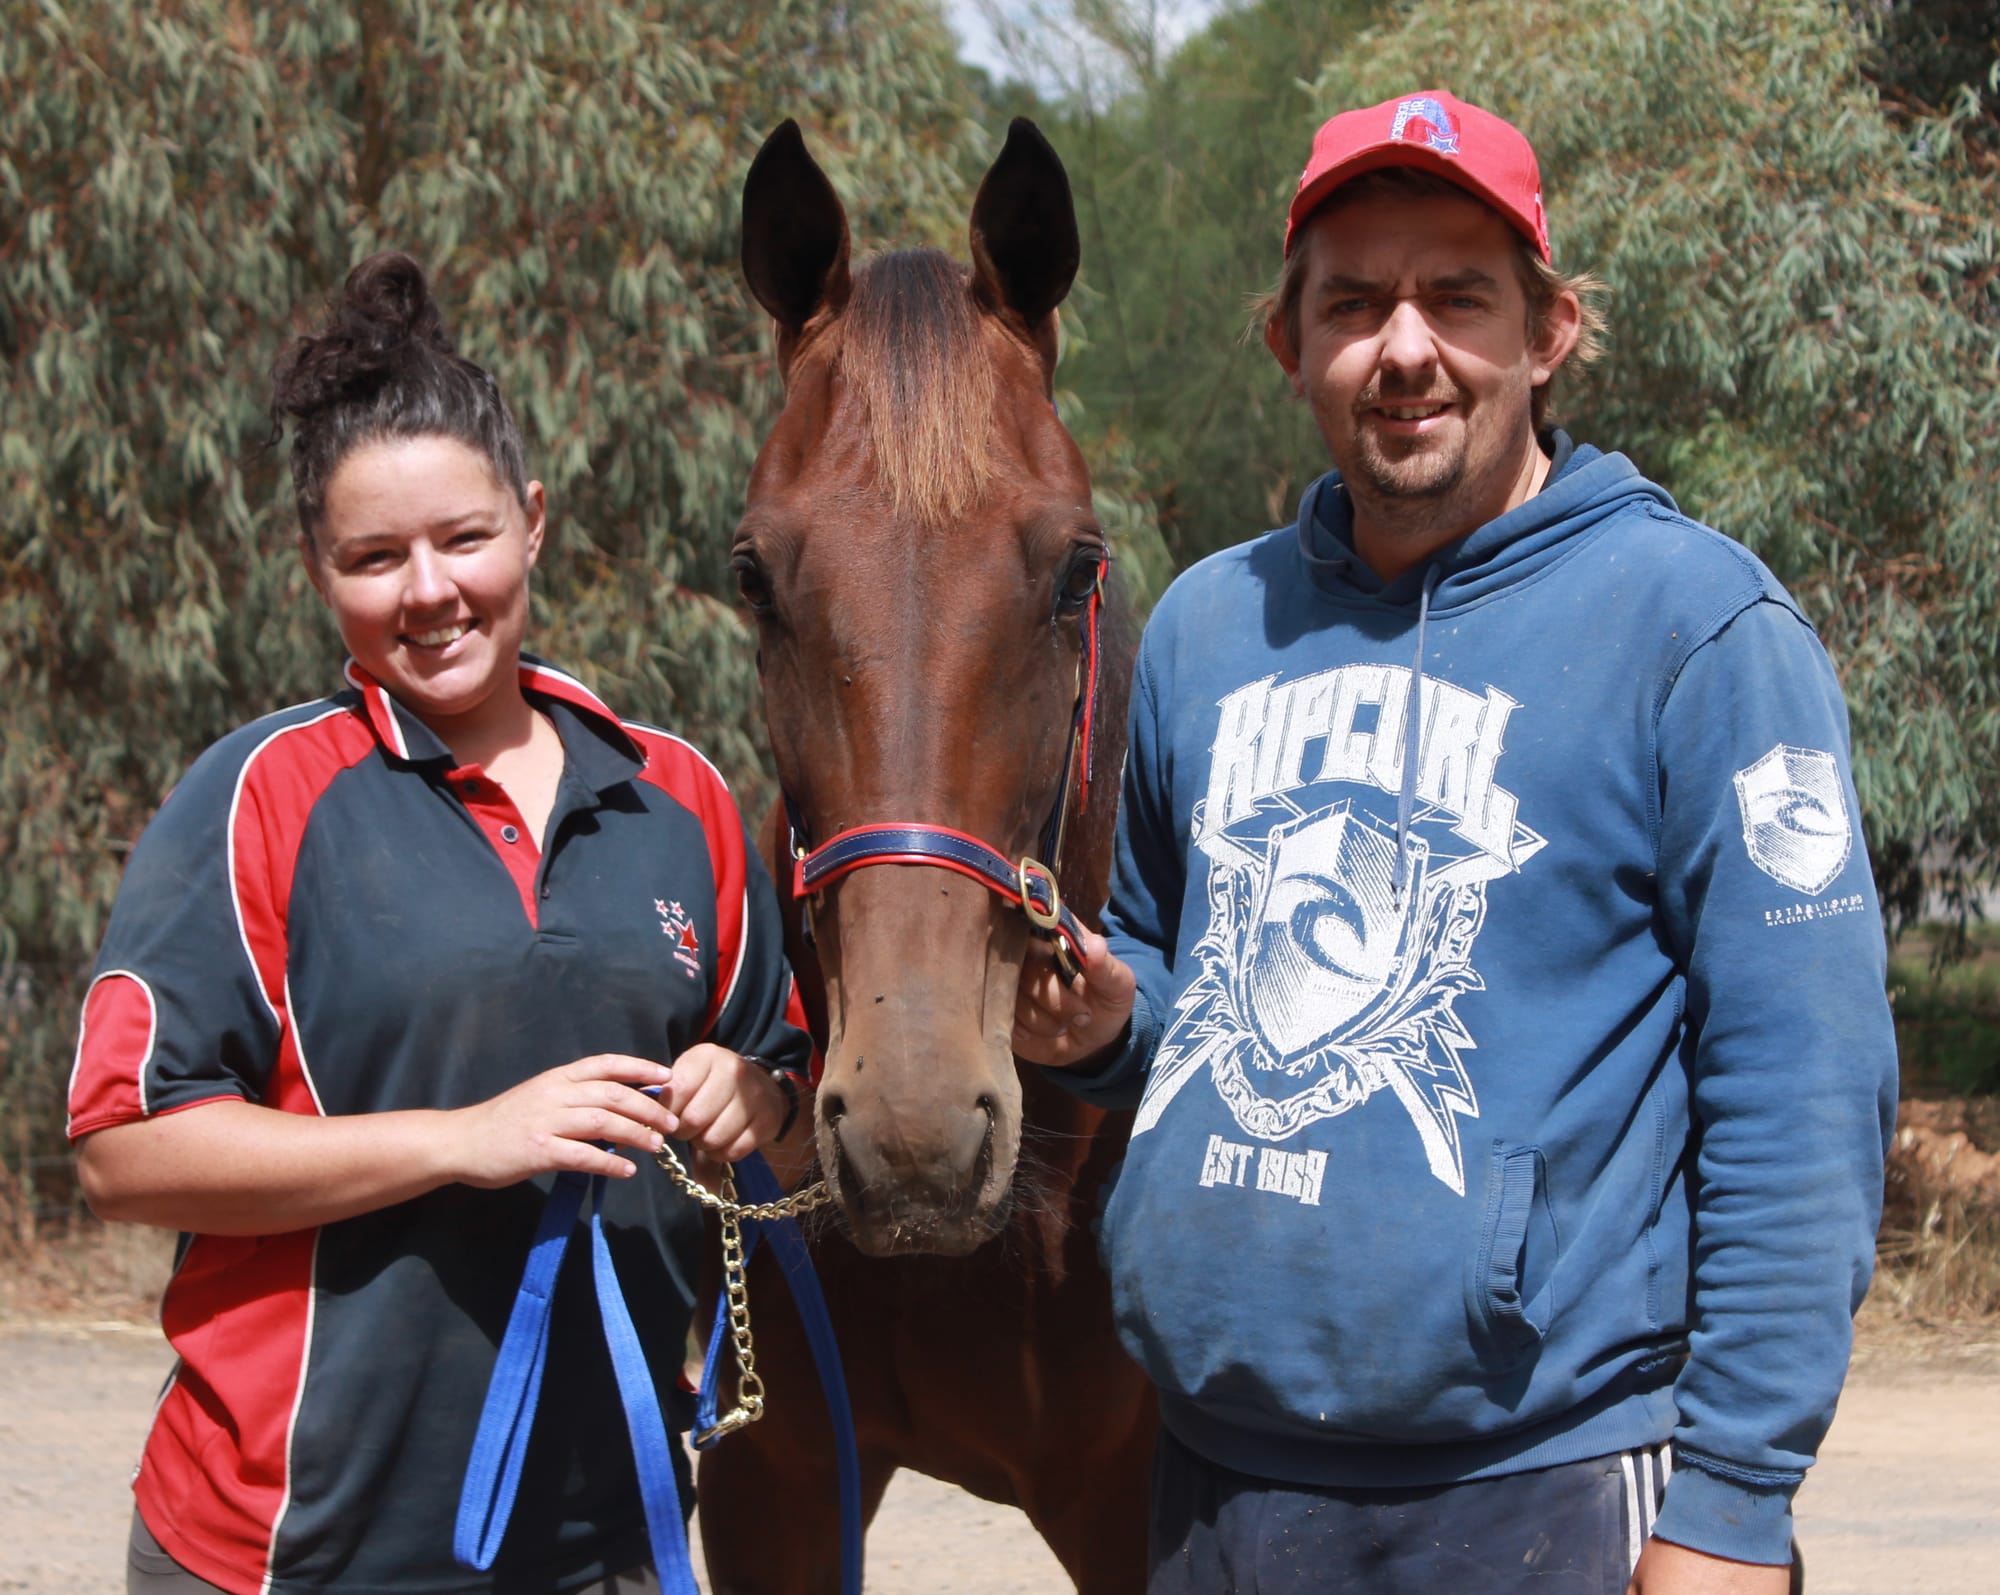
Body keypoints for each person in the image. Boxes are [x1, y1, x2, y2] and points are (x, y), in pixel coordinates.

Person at [1015, 91, 1897, 1594]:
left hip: (1539, 1492)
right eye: (1352, 302)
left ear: (1549, 334)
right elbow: (1191, 993)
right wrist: (1112, 1023)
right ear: (1289, 344)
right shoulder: (1214, 628)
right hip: (1212, 1485)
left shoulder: (1699, 633)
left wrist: (1735, 1503)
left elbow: (1802, 1092)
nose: (1404, 346)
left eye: (1458, 297)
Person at [67, 251, 816, 1595]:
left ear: (531, 521)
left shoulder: (678, 795)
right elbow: (126, 1152)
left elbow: (796, 1102)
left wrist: (757, 1093)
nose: (428, 592)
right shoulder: (260, 797)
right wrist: (462, 1142)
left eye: (463, 538)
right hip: (292, 1552)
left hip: (611, 1546)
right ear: (317, 568)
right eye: (373, 557)